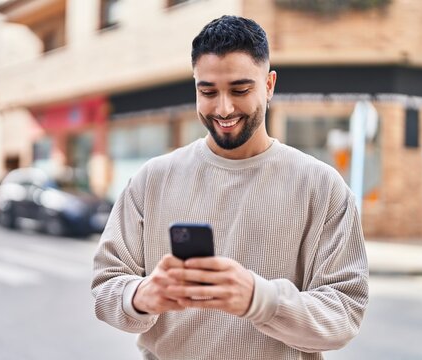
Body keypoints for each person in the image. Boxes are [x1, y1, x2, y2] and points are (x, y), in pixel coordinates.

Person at [91, 15, 369, 360]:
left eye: (240, 90)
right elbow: (106, 286)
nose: (223, 108)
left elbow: (344, 314)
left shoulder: (321, 186)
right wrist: (141, 296)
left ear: (268, 85)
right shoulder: (152, 179)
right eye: (208, 91)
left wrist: (258, 299)